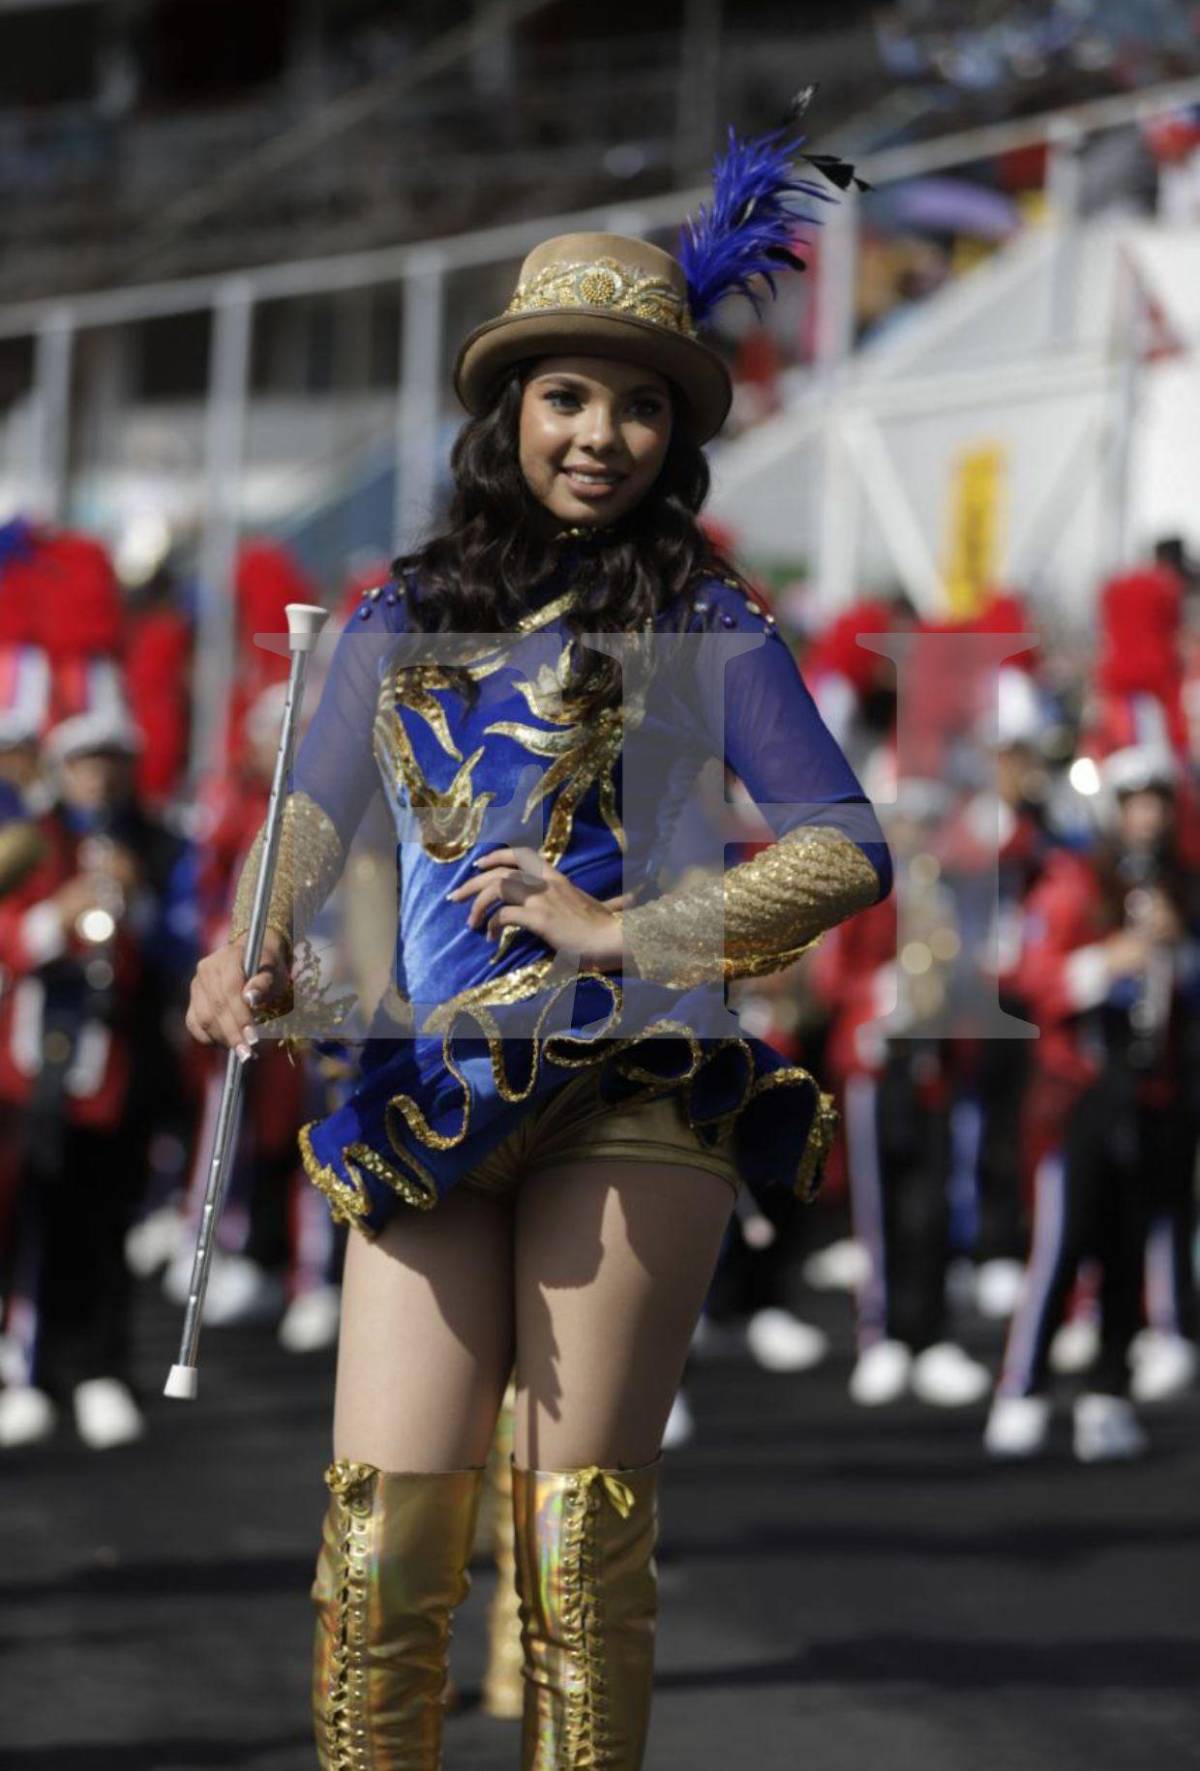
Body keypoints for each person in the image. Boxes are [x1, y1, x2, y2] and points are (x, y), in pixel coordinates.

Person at [185, 125, 889, 1770]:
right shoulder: (390, 610)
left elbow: (847, 846)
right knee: (380, 1562)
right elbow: (312, 815)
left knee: (573, 1566)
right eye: (571, 396)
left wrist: (620, 924)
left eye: (640, 403)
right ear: (508, 410)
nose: (604, 434)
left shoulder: (706, 615)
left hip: (642, 1080)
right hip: (437, 1083)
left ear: (674, 431)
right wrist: (252, 947)